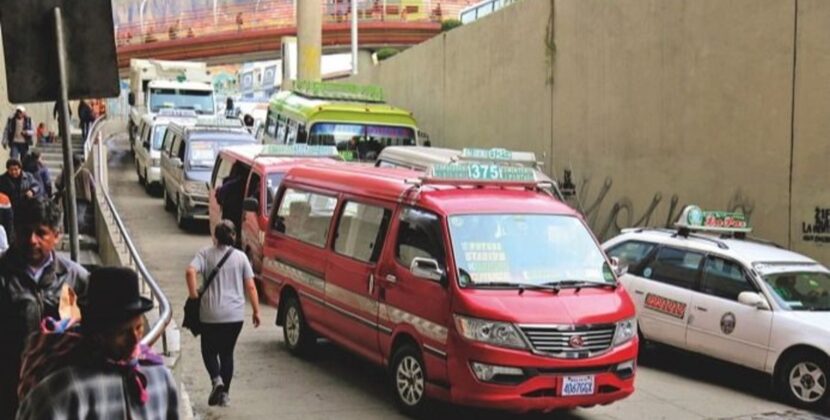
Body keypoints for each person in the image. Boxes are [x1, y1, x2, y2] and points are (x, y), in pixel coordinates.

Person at [16, 267, 179, 419]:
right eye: (122, 333)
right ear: (97, 334)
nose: (135, 340)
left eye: (138, 328)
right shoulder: (64, 393)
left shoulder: (160, 379)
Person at [0, 198, 89, 418]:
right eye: (25, 232)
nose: (32, 240)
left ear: (56, 236)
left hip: (61, 388)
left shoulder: (76, 278)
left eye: (41, 233)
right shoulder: (3, 275)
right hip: (9, 388)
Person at [186, 220, 260, 407]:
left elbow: (190, 271)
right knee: (227, 353)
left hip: (210, 314)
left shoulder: (205, 254)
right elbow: (250, 286)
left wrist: (194, 295)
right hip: (234, 316)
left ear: (215, 237)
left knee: (208, 350)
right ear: (233, 236)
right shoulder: (241, 257)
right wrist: (256, 311)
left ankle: (216, 380)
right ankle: (225, 395)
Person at [55, 154, 95, 236]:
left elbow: (58, 184)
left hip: (68, 197)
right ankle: (77, 235)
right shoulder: (86, 172)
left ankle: (67, 234)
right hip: (83, 198)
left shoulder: (65, 171)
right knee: (79, 218)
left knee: (67, 216)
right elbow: (93, 186)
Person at [0, 158, 41, 230]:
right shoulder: (2, 180)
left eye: (16, 169)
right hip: (9, 210)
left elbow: (37, 186)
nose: (13, 172)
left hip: (25, 209)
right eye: (11, 170)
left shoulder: (28, 177)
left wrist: (32, 191)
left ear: (20, 169)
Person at [215, 166, 246, 245]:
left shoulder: (229, 184)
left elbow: (219, 195)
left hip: (230, 215)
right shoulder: (232, 184)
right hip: (234, 217)